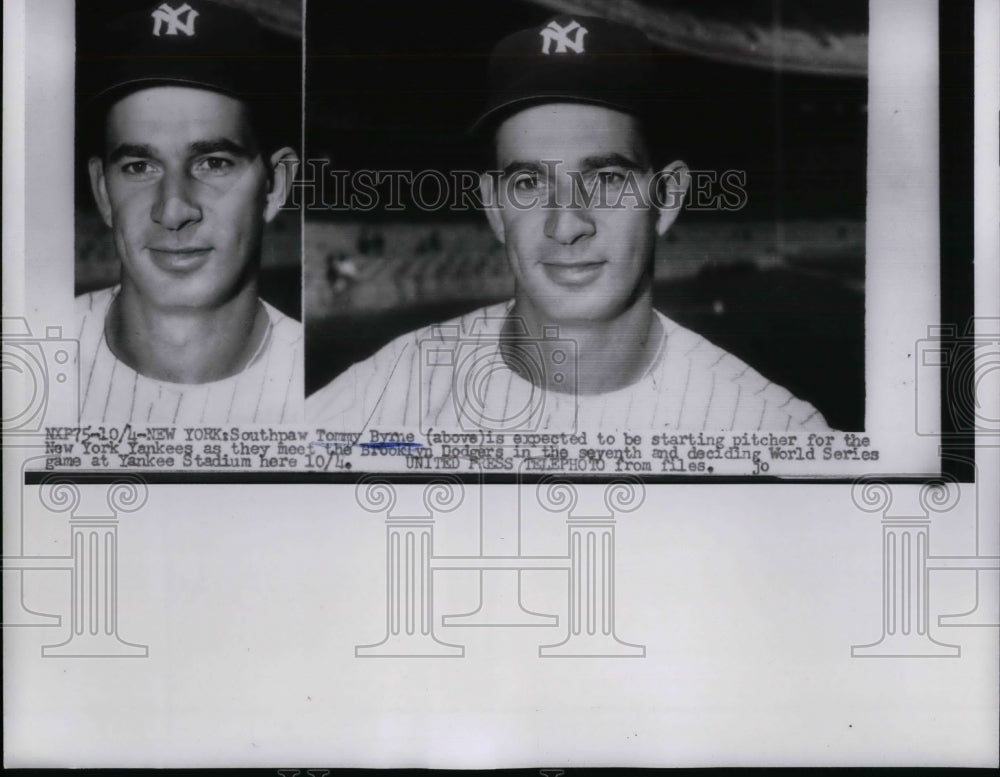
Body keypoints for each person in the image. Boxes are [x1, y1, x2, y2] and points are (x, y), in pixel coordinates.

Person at [307, 15, 830, 432]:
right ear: (493, 207)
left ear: (667, 198)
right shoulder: (379, 399)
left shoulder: (775, 433)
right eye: (530, 183)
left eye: (606, 179)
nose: (566, 224)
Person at [76, 0, 302, 423]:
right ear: (103, 193)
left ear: (275, 186)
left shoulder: (338, 398)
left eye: (213, 163)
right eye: (140, 167)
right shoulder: (28, 361)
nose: (174, 209)